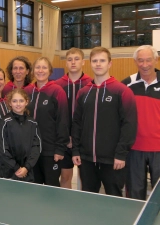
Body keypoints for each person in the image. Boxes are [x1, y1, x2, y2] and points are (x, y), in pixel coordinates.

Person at [72, 47, 137, 196]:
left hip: (113, 160)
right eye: (95, 61)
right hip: (87, 159)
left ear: (109, 64)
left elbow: (129, 124)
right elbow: (77, 123)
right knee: (88, 198)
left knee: (114, 199)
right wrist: (76, 149)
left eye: (102, 60)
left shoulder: (122, 91)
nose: (98, 64)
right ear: (90, 63)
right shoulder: (83, 92)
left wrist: (121, 154)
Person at [122, 45, 160, 200]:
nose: (145, 65)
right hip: (134, 149)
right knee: (135, 194)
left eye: (148, 60)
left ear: (156, 60)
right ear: (135, 62)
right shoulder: (126, 84)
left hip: (159, 149)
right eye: (140, 61)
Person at [24, 57, 69, 187]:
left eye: (44, 67)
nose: (40, 70)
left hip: (50, 151)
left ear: (50, 71)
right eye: (37, 67)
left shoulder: (57, 91)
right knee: (34, 186)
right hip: (31, 151)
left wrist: (60, 149)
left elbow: (63, 121)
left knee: (51, 187)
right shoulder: (27, 91)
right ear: (33, 71)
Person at [55, 47, 92, 189]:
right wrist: (66, 137)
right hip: (63, 141)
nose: (73, 62)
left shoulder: (91, 84)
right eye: (70, 59)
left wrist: (76, 138)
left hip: (83, 140)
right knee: (65, 177)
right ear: (66, 63)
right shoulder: (58, 85)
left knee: (86, 179)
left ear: (83, 62)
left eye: (77, 59)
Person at [0, 89, 41, 182]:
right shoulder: (4, 122)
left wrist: (26, 167)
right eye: (14, 101)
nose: (18, 104)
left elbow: (36, 147)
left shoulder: (32, 123)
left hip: (27, 171)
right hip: (9, 171)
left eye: (21, 101)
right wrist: (16, 167)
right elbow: (3, 149)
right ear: (10, 103)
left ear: (26, 102)